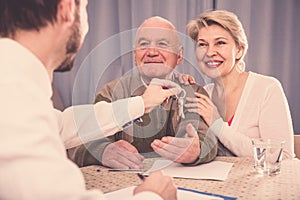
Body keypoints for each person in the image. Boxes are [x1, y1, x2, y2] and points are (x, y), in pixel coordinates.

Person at [0, 0, 180, 199]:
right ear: (67, 9)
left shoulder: (15, 86)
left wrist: (141, 104)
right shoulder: (12, 91)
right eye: (85, 8)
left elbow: (61, 124)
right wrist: (152, 196)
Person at [67, 16, 217, 169]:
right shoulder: (111, 92)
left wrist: (197, 150)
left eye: (162, 44)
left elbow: (207, 138)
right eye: (144, 44)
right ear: (134, 55)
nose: (152, 52)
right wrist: (102, 151)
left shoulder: (193, 91)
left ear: (179, 55)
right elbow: (78, 143)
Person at [185, 10, 294, 159]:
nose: (209, 52)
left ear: (239, 50)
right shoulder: (203, 94)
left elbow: (283, 157)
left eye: (220, 43)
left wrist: (218, 125)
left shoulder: (267, 88)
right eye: (202, 45)